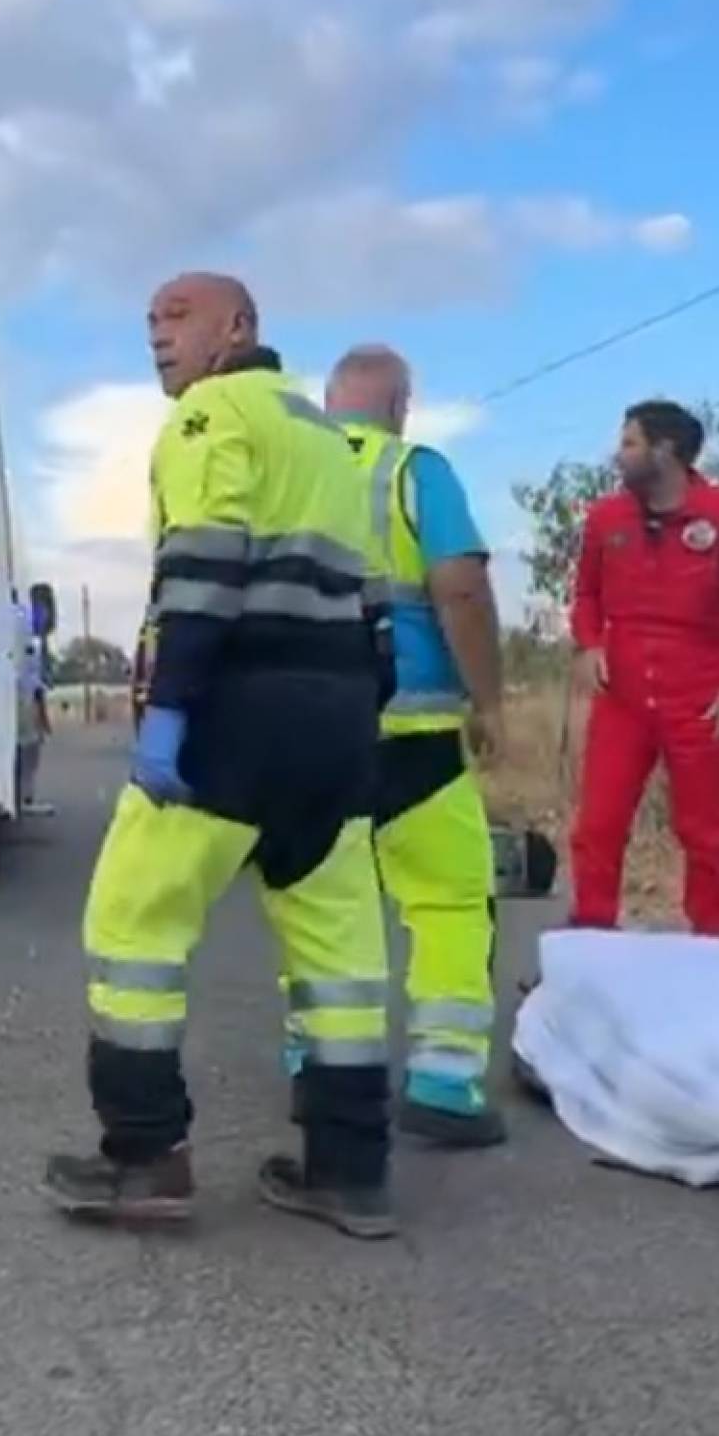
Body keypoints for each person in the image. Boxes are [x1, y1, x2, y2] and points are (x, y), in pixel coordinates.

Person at [41, 272, 398, 1240]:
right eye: (150, 319)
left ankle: (146, 1156)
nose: (157, 334)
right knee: (340, 956)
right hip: (335, 716)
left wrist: (170, 711)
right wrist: (362, 713)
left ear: (235, 327)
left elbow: (201, 570)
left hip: (235, 708)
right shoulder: (328, 438)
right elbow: (374, 597)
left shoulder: (210, 414)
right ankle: (350, 1170)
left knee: (134, 923)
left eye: (178, 315)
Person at [292, 342, 511, 1148]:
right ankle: (444, 1081)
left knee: (321, 907)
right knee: (449, 900)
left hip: (308, 729)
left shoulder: (285, 472)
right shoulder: (415, 470)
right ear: (399, 407)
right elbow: (460, 587)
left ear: (328, 404)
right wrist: (488, 701)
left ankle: (320, 1072)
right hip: (413, 733)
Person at [568, 400, 719, 937]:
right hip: (621, 696)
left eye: (629, 443)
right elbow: (586, 594)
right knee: (598, 825)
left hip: (698, 697)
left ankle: (713, 941)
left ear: (664, 451)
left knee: (705, 833)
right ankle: (592, 932)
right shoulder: (605, 518)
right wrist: (590, 643)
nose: (618, 454)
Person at [16, 597, 55, 816]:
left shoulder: (24, 629)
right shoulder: (33, 640)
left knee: (27, 748)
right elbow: (34, 682)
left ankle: (22, 795)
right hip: (24, 698)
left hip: (21, 695)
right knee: (29, 748)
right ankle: (24, 796)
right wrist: (43, 714)